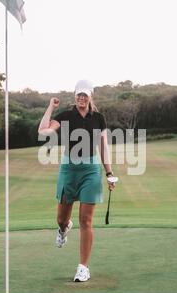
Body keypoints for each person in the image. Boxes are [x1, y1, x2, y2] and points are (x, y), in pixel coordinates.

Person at [38, 80, 116, 282]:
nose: (81, 98)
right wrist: (50, 107)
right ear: (75, 96)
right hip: (69, 169)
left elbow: (104, 147)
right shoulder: (65, 116)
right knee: (62, 219)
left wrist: (109, 173)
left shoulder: (98, 118)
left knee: (86, 220)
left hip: (90, 170)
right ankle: (63, 228)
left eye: (85, 95)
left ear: (91, 96)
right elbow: (43, 131)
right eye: (78, 95)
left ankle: (83, 267)